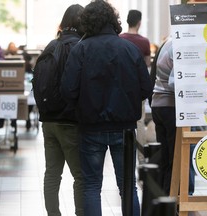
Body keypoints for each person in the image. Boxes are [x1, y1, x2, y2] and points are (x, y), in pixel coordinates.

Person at [60, 1, 152, 216]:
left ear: (87, 22)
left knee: (92, 186)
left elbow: (68, 90)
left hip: (91, 127)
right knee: (127, 185)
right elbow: (147, 88)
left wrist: (82, 105)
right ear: (114, 21)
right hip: (125, 128)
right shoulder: (130, 49)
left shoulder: (80, 49)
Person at [37, 4, 85, 216]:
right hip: (69, 121)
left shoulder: (50, 46)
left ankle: (53, 214)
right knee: (81, 176)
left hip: (47, 120)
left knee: (52, 174)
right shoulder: (79, 47)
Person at [150, 37, 195, 195]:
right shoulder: (181, 44)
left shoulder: (168, 42)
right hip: (171, 106)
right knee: (174, 158)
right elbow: (175, 82)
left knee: (166, 158)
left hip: (159, 104)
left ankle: (164, 199)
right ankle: (172, 200)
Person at [120, 9, 151, 163]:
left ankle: (124, 155)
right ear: (139, 22)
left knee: (121, 121)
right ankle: (140, 157)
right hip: (137, 87)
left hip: (120, 87)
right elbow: (147, 64)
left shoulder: (119, 39)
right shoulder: (144, 42)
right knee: (139, 121)